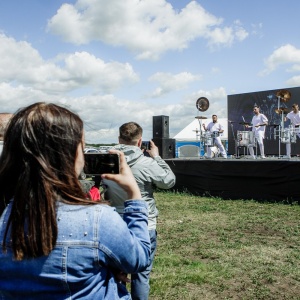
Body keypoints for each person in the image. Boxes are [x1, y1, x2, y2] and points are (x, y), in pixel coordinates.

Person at [0, 102, 150, 299]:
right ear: (70, 153)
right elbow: (138, 259)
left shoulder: (5, 218)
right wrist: (134, 195)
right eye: (82, 145)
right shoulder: (97, 220)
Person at [103, 122, 176, 300]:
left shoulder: (106, 161)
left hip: (114, 223)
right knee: (141, 275)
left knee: (113, 273)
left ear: (119, 139)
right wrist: (157, 157)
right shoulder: (147, 163)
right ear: (140, 141)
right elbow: (169, 181)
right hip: (144, 223)